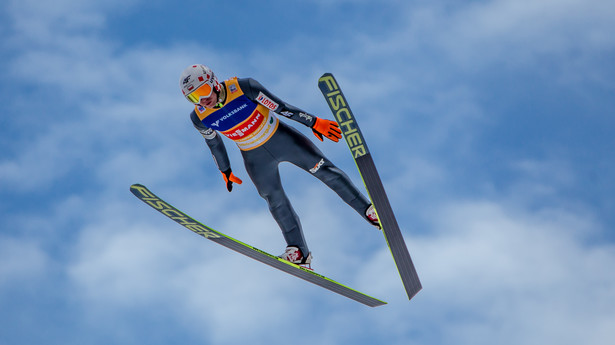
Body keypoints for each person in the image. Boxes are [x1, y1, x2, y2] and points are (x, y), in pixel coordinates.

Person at [179, 64, 379, 267]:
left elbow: (281, 108)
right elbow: (214, 144)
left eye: (203, 91)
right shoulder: (199, 117)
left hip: (282, 139)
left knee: (325, 172)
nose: (203, 100)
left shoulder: (243, 87)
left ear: (213, 82)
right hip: (254, 157)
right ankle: (298, 252)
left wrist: (314, 122)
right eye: (194, 98)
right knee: (275, 201)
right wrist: (225, 170)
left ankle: (369, 211)